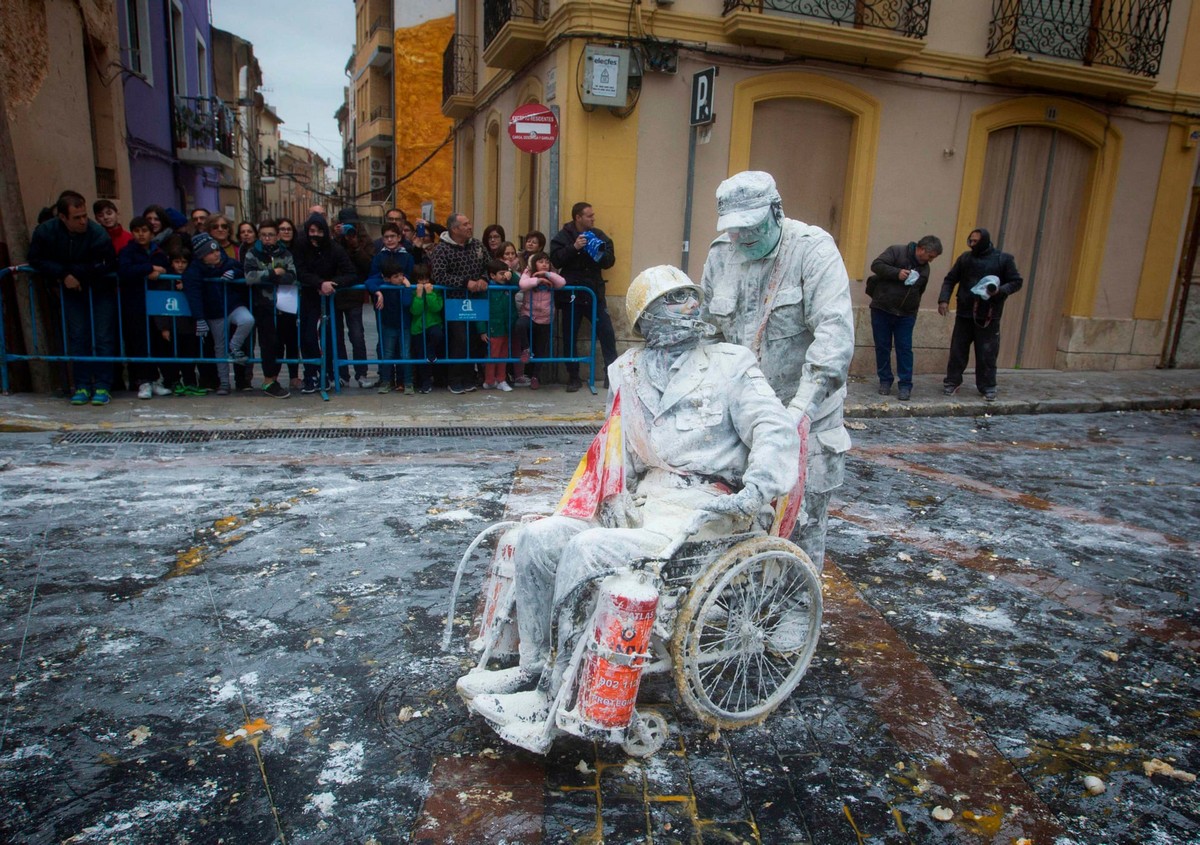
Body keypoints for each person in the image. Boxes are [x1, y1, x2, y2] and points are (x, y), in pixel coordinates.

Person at [457, 265, 799, 754]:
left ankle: (554, 692)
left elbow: (773, 428)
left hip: (707, 504)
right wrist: (614, 495)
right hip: (641, 499)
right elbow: (617, 449)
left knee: (587, 550)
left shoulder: (730, 364)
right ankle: (531, 668)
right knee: (538, 537)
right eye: (676, 300)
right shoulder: (627, 372)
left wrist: (759, 487)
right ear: (648, 317)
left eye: (691, 296)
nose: (692, 307)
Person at [701, 170, 854, 571]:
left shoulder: (813, 250)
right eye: (735, 230)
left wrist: (796, 415)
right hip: (743, 421)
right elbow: (707, 334)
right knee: (738, 525)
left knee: (800, 526)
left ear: (776, 211)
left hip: (805, 416)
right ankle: (746, 610)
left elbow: (834, 338)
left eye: (751, 227)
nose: (743, 238)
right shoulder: (721, 254)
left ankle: (796, 614)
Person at [28, 191, 119, 405]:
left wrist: (75, 274)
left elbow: (108, 263)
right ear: (62, 217)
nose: (82, 221)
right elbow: (35, 258)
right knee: (78, 337)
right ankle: (82, 385)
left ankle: (103, 386)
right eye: (76, 217)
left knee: (103, 336)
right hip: (71, 292)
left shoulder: (97, 234)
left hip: (99, 289)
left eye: (84, 215)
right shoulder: (46, 232)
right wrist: (63, 275)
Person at [937, 228, 1024, 402]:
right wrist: (943, 299)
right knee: (958, 350)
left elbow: (1016, 281)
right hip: (964, 312)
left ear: (984, 241)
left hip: (989, 315)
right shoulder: (965, 258)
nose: (972, 244)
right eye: (971, 240)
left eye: (976, 241)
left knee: (987, 353)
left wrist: (1000, 291)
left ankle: (987, 386)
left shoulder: (1003, 259)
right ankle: (952, 381)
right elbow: (950, 279)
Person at [549, 202, 618, 392]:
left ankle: (611, 374)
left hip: (594, 292)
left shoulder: (599, 235)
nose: (593, 219)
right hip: (571, 294)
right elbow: (555, 259)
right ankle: (573, 376)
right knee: (569, 335)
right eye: (589, 216)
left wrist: (598, 251)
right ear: (578, 217)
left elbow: (610, 261)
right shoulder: (563, 236)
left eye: (593, 215)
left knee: (606, 332)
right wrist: (574, 247)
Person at [866, 235, 943, 401]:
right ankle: (885, 380)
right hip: (882, 308)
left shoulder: (925, 268)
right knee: (882, 347)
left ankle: (905, 385)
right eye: (930, 256)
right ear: (922, 249)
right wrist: (896, 273)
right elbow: (876, 265)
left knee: (905, 349)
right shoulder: (896, 251)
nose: (931, 260)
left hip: (906, 314)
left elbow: (919, 291)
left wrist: (913, 311)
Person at [182, 233, 254, 396]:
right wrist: (199, 318)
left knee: (247, 320)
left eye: (217, 250)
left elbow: (242, 268)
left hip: (232, 305)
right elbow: (194, 296)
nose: (216, 254)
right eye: (211, 252)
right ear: (201, 256)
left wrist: (235, 273)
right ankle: (224, 382)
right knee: (219, 347)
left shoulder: (226, 262)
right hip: (214, 312)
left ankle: (234, 346)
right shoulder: (194, 271)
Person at [293, 212, 356, 393]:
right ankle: (311, 373)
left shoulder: (334, 248)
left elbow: (350, 273)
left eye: (319, 231)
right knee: (307, 338)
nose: (315, 235)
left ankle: (328, 373)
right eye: (311, 231)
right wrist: (318, 283)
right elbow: (300, 271)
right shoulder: (301, 247)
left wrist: (332, 283)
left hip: (328, 301)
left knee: (329, 339)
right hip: (308, 298)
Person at [428, 212, 489, 394]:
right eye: (465, 224)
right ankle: (454, 379)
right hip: (454, 302)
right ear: (454, 229)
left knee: (473, 340)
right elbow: (438, 275)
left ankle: (469, 378)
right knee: (459, 340)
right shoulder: (442, 249)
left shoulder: (477, 245)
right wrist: (465, 282)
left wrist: (484, 278)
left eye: (469, 223)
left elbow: (489, 264)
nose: (470, 227)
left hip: (476, 301)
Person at [116, 216, 175, 399]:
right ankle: (143, 381)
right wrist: (149, 268)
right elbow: (124, 270)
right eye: (137, 231)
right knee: (138, 341)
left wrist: (162, 270)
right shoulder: (128, 251)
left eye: (144, 231)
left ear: (151, 233)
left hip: (156, 303)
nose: (141, 235)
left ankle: (156, 379)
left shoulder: (158, 251)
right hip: (135, 303)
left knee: (158, 341)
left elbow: (168, 270)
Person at [243, 219, 298, 399]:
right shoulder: (253, 253)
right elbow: (250, 276)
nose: (267, 238)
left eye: (271, 235)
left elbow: (292, 275)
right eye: (264, 235)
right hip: (262, 304)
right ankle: (268, 379)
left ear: (277, 236)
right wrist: (273, 273)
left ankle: (274, 378)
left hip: (283, 304)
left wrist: (271, 277)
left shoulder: (285, 253)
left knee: (281, 342)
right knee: (267, 342)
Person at [367, 223, 416, 394]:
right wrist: (378, 291)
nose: (389, 240)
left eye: (392, 236)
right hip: (386, 312)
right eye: (386, 237)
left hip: (404, 313)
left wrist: (406, 284)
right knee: (386, 351)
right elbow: (372, 278)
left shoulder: (407, 257)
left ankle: (407, 381)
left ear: (399, 237)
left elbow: (409, 276)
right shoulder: (379, 258)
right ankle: (386, 380)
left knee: (405, 352)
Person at [513, 251, 565, 390]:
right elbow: (522, 284)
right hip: (529, 314)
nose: (544, 264)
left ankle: (535, 377)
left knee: (542, 348)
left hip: (546, 318)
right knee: (520, 325)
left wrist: (547, 275)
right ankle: (526, 349)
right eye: (541, 261)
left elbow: (562, 283)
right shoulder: (529, 272)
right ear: (534, 263)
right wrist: (538, 280)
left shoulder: (552, 275)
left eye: (547, 262)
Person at [335, 223, 377, 388]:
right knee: (336, 337)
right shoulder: (334, 243)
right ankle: (341, 374)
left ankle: (362, 373)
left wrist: (356, 247)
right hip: (336, 295)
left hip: (354, 296)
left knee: (357, 336)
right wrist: (337, 238)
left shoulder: (364, 242)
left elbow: (368, 266)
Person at [480, 258, 517, 391]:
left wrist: (511, 274)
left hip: (506, 327)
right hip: (493, 329)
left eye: (505, 273)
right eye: (501, 273)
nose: (504, 276)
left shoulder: (509, 286)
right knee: (492, 356)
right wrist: (482, 331)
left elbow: (519, 284)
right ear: (492, 275)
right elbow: (481, 311)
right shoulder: (487, 289)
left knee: (503, 355)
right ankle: (489, 380)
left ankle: (501, 379)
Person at [409, 263, 444, 394]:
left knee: (437, 335)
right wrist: (418, 295)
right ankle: (425, 382)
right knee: (421, 356)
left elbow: (437, 307)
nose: (424, 282)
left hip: (433, 323)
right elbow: (415, 311)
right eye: (420, 279)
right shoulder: (413, 291)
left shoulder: (435, 290)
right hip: (418, 327)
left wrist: (429, 294)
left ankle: (431, 353)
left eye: (426, 279)